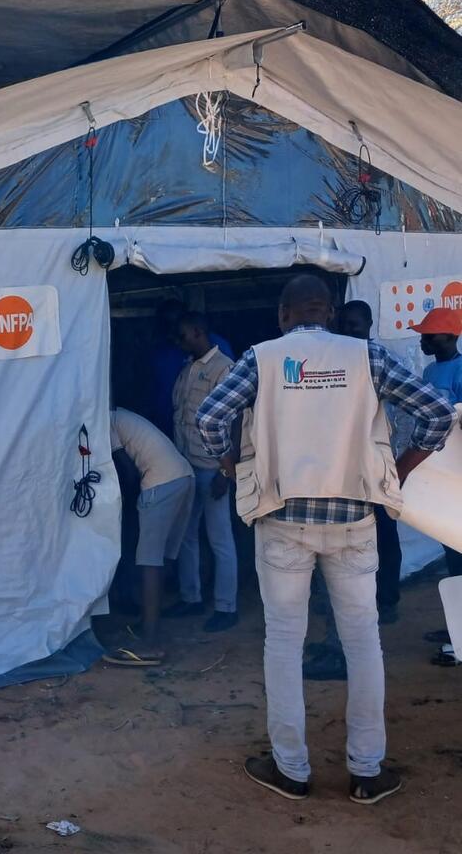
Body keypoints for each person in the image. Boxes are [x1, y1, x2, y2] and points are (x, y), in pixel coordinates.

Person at [195, 274, 455, 805]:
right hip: (355, 520)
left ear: (283, 315)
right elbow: (434, 413)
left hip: (282, 518)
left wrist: (229, 464)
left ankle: (290, 769)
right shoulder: (367, 356)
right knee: (363, 642)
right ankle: (367, 771)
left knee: (284, 643)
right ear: (331, 313)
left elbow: (211, 416)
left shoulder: (261, 358)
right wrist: (399, 470)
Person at [304, 300, 403, 681]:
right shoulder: (331, 359)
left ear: (370, 324)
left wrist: (398, 469)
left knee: (359, 560)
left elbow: (413, 415)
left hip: (372, 476)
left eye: (356, 325)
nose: (350, 330)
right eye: (344, 323)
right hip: (342, 479)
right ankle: (342, 644)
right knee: (343, 567)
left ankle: (342, 650)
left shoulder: (379, 360)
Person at [104, 407, 195, 667]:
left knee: (148, 562)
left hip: (160, 482)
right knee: (161, 558)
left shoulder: (106, 422)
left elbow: (129, 472)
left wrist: (123, 505)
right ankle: (150, 621)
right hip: (183, 476)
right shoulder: (123, 416)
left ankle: (151, 643)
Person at [168, 311, 238, 632]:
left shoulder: (223, 369)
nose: (177, 341)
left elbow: (234, 421)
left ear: (198, 332)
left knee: (220, 538)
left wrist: (228, 471)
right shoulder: (187, 368)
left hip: (213, 468)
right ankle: (191, 597)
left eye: (182, 335)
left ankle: (227, 606)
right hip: (187, 464)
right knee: (186, 535)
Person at [410, 307, 462, 647]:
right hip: (440, 478)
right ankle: (456, 630)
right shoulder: (430, 371)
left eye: (429, 335)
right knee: (453, 560)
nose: (423, 341)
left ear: (449, 336)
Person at [147, 299, 233, 438]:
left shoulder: (219, 351)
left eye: (176, 325)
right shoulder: (163, 352)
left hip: (206, 440)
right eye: (166, 325)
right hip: (172, 432)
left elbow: (231, 410)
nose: (172, 331)